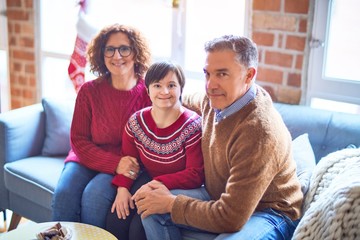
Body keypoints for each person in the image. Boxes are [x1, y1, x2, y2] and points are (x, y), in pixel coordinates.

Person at [132, 35, 304, 240]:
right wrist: (159, 97)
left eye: (222, 74)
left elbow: (231, 217)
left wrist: (170, 203)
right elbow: (180, 99)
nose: (210, 85)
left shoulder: (259, 132)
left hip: (270, 212)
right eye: (207, 74)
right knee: (152, 207)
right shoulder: (214, 99)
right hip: (220, 196)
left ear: (249, 75)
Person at [51, 23, 152, 228]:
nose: (117, 56)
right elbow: (78, 140)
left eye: (124, 48)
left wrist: (123, 169)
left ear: (136, 52)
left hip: (125, 164)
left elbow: (150, 143)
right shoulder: (89, 91)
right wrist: (115, 163)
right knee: (63, 195)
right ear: (101, 54)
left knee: (93, 198)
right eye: (110, 49)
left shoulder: (148, 94)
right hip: (87, 159)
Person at [106, 61, 205, 240]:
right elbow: (130, 160)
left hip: (178, 187)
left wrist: (154, 184)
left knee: (139, 227)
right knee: (116, 219)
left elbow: (195, 174)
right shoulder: (136, 122)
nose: (164, 92)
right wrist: (122, 188)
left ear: (181, 88)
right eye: (157, 85)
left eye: (171, 85)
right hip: (148, 179)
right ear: (148, 89)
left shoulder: (193, 126)